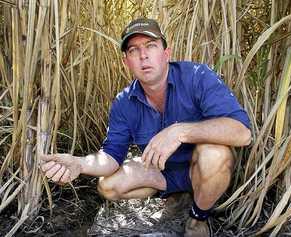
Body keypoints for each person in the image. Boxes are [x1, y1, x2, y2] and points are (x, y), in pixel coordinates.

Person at [41, 18, 251, 236]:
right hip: (164, 173)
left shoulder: (197, 76)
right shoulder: (124, 102)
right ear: (126, 62)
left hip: (204, 167)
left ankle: (198, 217)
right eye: (134, 50)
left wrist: (180, 131)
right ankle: (176, 195)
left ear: (166, 53)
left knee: (214, 155)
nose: (143, 56)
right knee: (108, 186)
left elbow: (243, 133)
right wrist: (79, 163)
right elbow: (111, 157)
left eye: (150, 46)